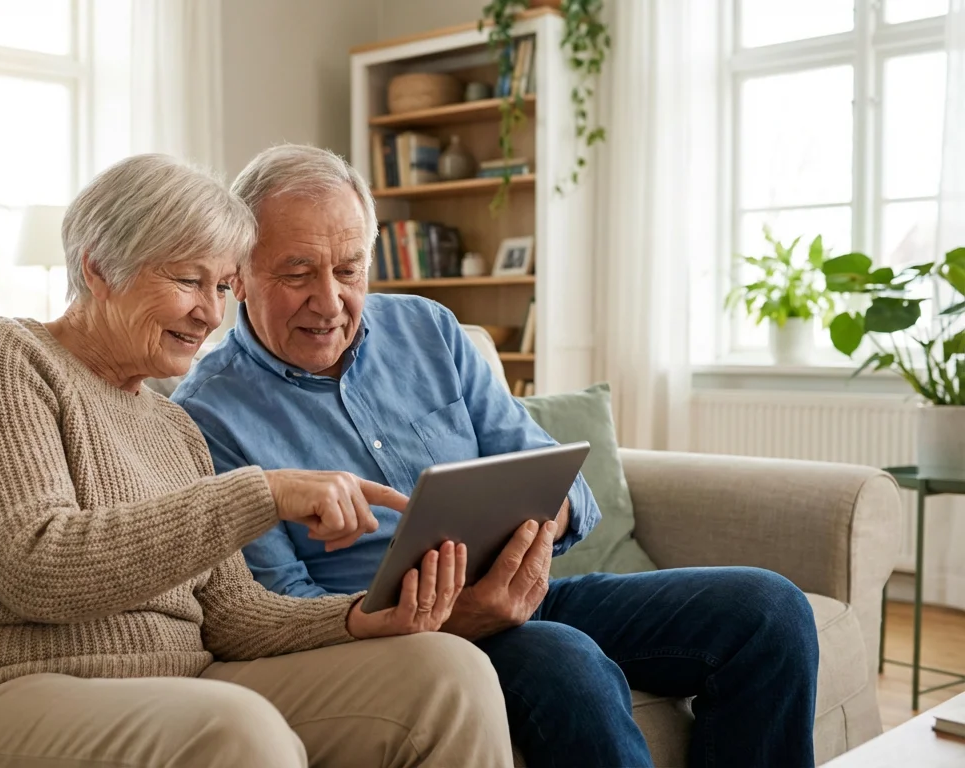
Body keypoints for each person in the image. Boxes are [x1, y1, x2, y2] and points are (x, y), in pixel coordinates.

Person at [172, 144, 822, 768]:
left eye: (348, 270)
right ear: (239, 276)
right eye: (297, 273)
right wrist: (448, 621)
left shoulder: (429, 331)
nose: (330, 300)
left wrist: (545, 523)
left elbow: (553, 474)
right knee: (569, 665)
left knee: (769, 612)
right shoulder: (208, 414)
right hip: (394, 648)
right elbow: (280, 607)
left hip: (524, 596)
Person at [0, 153, 513, 768]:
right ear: (98, 268)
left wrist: (363, 615)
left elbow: (235, 616)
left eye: (223, 286)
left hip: (181, 685)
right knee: (233, 729)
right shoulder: (2, 355)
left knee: (447, 674)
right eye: (186, 281)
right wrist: (261, 492)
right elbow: (38, 565)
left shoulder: (175, 426)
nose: (211, 314)